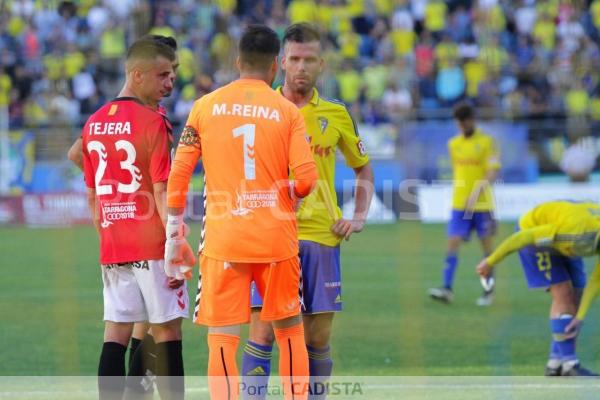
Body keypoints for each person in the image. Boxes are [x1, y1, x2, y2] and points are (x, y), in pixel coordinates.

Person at [165, 25, 318, 400]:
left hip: (223, 238)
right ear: (274, 68)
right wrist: (291, 193)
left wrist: (173, 228)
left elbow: (180, 172)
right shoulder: (287, 111)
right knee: (290, 331)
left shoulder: (204, 106)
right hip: (275, 239)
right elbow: (307, 178)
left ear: (238, 63)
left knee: (223, 337)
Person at [241, 23, 374, 400]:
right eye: (295, 59)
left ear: (322, 64)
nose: (301, 66)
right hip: (268, 238)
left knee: (317, 337)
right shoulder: (258, 109)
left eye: (309, 60)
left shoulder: (336, 114)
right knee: (263, 332)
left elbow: (363, 167)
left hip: (320, 236)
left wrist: (358, 215)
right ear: (281, 62)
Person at [68, 35, 181, 395]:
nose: (171, 82)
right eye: (164, 74)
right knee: (165, 330)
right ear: (138, 74)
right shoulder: (153, 120)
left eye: (173, 74)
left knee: (118, 329)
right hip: (150, 235)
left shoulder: (96, 121)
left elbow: (79, 157)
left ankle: (132, 392)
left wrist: (108, 216)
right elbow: (162, 190)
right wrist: (176, 238)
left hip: (114, 239)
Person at [476, 200, 599, 376]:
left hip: (568, 234)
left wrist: (580, 317)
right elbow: (524, 237)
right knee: (563, 294)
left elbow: (596, 281)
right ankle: (571, 364)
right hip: (536, 231)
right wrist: (490, 262)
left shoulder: (584, 236)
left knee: (578, 294)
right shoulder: (575, 233)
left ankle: (555, 363)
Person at [428, 103, 500, 306]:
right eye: (458, 123)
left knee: (487, 250)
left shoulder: (487, 142)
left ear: (471, 120)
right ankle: (447, 288)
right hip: (459, 204)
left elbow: (492, 172)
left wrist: (476, 193)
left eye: (464, 122)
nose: (461, 126)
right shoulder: (453, 144)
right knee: (452, 244)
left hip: (483, 205)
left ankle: (488, 292)